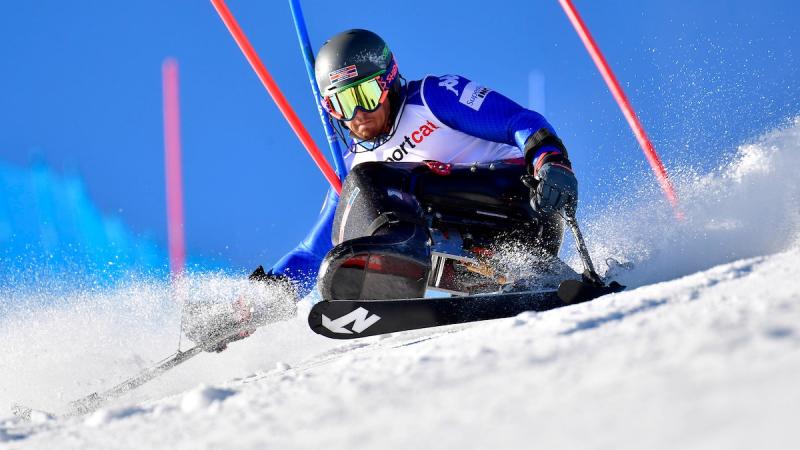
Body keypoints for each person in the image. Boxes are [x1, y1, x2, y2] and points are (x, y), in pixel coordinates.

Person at [251, 28, 578, 302]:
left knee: (367, 180)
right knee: (354, 200)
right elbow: (312, 252)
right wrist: (259, 301)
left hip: (524, 202)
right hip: (477, 239)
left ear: (387, 82)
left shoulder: (431, 98)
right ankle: (499, 274)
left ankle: (400, 253)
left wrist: (550, 161)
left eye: (364, 95)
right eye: (343, 104)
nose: (357, 114)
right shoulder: (352, 166)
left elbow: (518, 121)